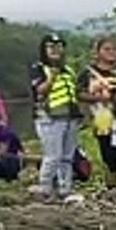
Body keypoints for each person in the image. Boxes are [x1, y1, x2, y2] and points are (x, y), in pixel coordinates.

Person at [78, 37, 116, 193]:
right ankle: (111, 189)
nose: (111, 52)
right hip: (102, 118)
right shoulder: (88, 73)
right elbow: (80, 94)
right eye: (107, 49)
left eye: (114, 49)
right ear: (98, 52)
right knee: (108, 155)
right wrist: (99, 97)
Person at [30, 33, 80, 202]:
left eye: (59, 46)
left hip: (70, 117)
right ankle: (45, 188)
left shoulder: (69, 70)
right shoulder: (38, 68)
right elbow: (40, 90)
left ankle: (65, 189)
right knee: (53, 155)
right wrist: (52, 77)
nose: (55, 50)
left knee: (67, 156)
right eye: (51, 46)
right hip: (49, 118)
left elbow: (74, 93)